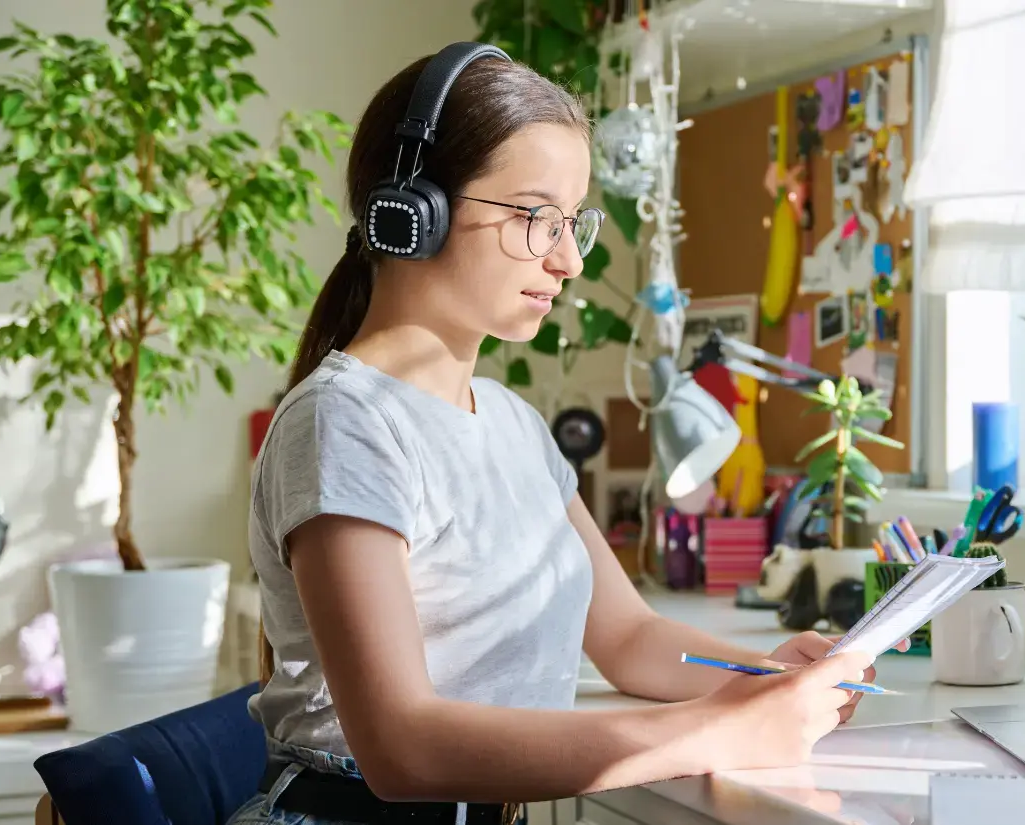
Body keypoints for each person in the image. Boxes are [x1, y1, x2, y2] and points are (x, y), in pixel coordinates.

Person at [228, 44, 885, 825]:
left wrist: (770, 674)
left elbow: (628, 634)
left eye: (574, 222)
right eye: (537, 217)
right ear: (414, 213)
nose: (569, 259)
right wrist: (721, 729)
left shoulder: (513, 423)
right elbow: (403, 747)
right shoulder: (342, 424)